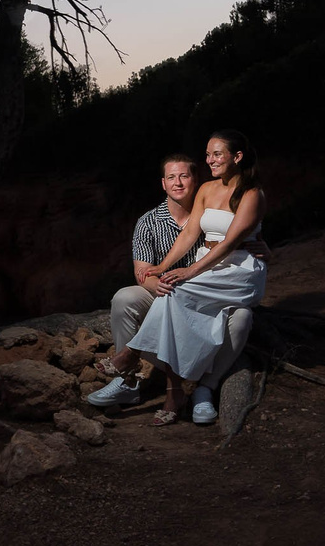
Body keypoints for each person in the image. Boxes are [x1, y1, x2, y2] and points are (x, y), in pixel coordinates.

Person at [127, 129, 270, 425]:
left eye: (217, 154)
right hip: (210, 265)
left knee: (177, 290)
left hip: (239, 270)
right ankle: (177, 386)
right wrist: (162, 266)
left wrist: (190, 271)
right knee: (171, 290)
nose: (210, 160)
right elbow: (191, 233)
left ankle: (136, 356)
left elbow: (230, 243)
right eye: (207, 154)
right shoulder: (206, 188)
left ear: (237, 157)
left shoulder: (252, 193)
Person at [85, 154, 203, 407]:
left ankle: (186, 382)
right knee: (125, 298)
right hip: (161, 291)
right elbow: (143, 273)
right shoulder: (148, 222)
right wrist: (158, 285)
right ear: (163, 183)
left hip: (199, 296)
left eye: (184, 176)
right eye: (171, 177)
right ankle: (127, 383)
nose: (178, 183)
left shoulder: (207, 216)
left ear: (195, 180)